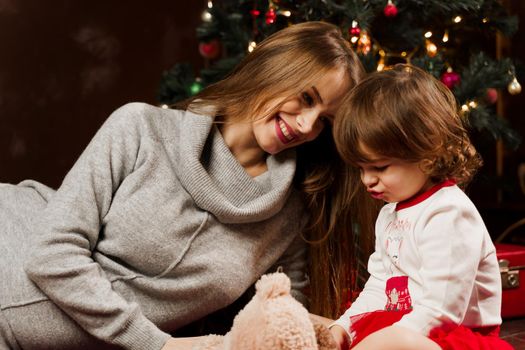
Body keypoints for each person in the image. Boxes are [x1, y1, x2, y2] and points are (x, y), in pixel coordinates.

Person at [0, 21, 367, 350]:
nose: (306, 126)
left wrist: (332, 330)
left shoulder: (288, 214)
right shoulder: (140, 128)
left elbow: (280, 318)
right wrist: (160, 346)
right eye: (306, 98)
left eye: (324, 121)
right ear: (273, 69)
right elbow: (51, 254)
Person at [330, 64, 512, 350]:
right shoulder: (390, 213)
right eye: (360, 168)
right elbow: (381, 286)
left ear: (426, 154)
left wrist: (387, 341)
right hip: (404, 325)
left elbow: (441, 310)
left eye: (379, 167)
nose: (367, 180)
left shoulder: (449, 212)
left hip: (455, 336)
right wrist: (344, 327)